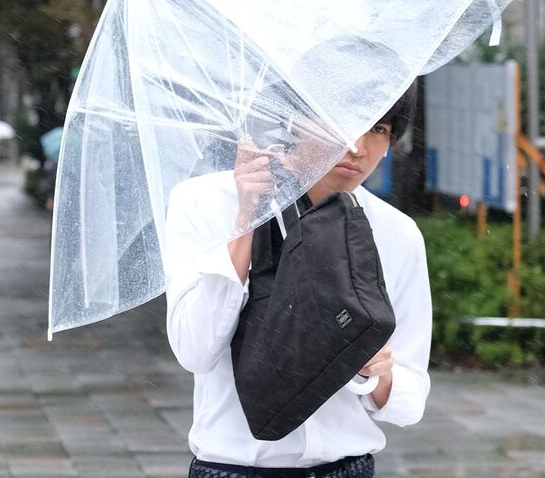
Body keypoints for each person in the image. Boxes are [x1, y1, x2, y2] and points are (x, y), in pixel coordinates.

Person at [163, 82, 429, 478]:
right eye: (341, 123)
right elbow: (195, 350)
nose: (358, 146)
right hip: (236, 469)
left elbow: (410, 402)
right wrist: (245, 222)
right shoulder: (203, 201)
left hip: (348, 468)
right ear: (295, 121)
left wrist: (373, 370)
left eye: (379, 129)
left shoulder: (396, 232)